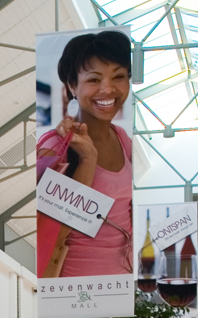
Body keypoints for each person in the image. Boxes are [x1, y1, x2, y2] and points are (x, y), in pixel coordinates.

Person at [35, 30, 134, 278]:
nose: (108, 89)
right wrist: (88, 160)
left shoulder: (122, 139)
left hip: (124, 284)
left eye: (119, 77)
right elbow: (50, 232)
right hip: (77, 287)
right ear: (72, 86)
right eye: (93, 80)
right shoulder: (54, 147)